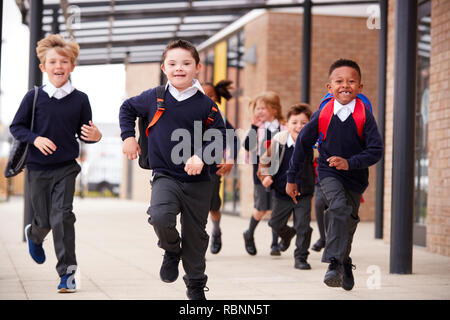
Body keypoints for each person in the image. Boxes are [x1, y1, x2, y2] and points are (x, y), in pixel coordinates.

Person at [119, 39, 226, 300]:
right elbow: (127, 108)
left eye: (186, 63)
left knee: (196, 235)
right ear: (164, 67)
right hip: (165, 175)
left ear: (197, 67)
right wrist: (127, 137)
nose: (180, 68)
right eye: (173, 63)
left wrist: (201, 156)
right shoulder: (154, 96)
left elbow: (221, 135)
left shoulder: (207, 105)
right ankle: (170, 248)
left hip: (199, 181)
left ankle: (196, 285)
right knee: (159, 216)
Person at [10, 34, 102, 293]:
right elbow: (16, 127)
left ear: (72, 66)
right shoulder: (34, 97)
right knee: (45, 220)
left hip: (66, 167)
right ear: (43, 67)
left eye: (64, 61)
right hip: (38, 169)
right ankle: (35, 234)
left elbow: (87, 133)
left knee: (63, 217)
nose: (59, 66)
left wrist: (96, 136)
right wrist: (36, 139)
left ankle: (68, 274)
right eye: (53, 62)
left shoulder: (81, 99)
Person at [286, 59, 383, 290]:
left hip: (356, 176)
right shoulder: (323, 114)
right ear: (329, 87)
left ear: (360, 87)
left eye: (351, 81)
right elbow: (302, 144)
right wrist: (292, 177)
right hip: (328, 172)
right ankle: (333, 263)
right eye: (339, 81)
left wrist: (349, 163)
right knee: (338, 207)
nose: (345, 85)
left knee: (347, 222)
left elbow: (376, 151)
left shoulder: (365, 116)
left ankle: (344, 262)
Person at [259, 104, 315, 269]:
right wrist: (266, 176)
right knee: (274, 224)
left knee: (302, 226)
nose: (299, 126)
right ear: (287, 123)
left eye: (304, 123)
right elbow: (264, 162)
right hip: (281, 192)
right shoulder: (279, 141)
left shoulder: (313, 143)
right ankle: (288, 234)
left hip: (303, 192)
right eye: (294, 122)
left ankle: (301, 257)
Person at [243, 92, 286, 256]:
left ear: (274, 109)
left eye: (263, 108)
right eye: (257, 108)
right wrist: (253, 128)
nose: (259, 111)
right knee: (261, 209)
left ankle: (274, 244)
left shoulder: (284, 127)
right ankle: (249, 233)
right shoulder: (258, 129)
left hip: (279, 174)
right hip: (260, 175)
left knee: (276, 209)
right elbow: (247, 146)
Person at [202, 80, 239, 254]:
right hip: (190, 166)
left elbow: (233, 138)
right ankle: (198, 245)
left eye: (210, 96)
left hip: (213, 167)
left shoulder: (220, 117)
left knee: (213, 205)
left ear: (216, 99)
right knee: (195, 207)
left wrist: (230, 159)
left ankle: (216, 230)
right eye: (202, 94)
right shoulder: (187, 113)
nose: (206, 99)